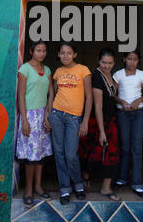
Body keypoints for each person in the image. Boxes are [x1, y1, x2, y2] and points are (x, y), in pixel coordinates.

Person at [47, 42, 92, 205]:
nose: (65, 55)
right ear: (58, 55)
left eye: (69, 53)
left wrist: (85, 121)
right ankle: (64, 188)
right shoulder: (58, 72)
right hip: (57, 115)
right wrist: (48, 114)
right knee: (59, 153)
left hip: (74, 118)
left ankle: (78, 184)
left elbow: (89, 97)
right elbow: (53, 94)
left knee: (71, 154)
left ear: (75, 54)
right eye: (62, 53)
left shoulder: (83, 70)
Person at [15, 41, 54, 208]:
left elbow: (51, 93)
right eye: (38, 50)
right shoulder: (24, 69)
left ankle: (38, 186)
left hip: (43, 115)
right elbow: (21, 95)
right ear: (31, 51)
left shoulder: (47, 70)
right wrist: (24, 119)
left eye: (44, 51)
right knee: (31, 155)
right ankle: (28, 190)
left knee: (41, 153)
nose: (41, 53)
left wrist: (47, 115)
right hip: (30, 115)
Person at [79, 48, 121, 201]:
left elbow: (112, 97)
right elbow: (97, 106)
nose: (107, 66)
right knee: (95, 151)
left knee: (111, 153)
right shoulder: (97, 77)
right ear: (98, 60)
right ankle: (85, 176)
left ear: (114, 62)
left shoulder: (110, 75)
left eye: (110, 63)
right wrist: (102, 131)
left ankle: (105, 186)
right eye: (104, 62)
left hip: (111, 119)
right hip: (99, 121)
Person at [113, 50, 143, 198]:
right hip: (123, 114)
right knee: (125, 146)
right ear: (124, 59)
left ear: (138, 61)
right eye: (129, 59)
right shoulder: (118, 75)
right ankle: (122, 178)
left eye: (135, 59)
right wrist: (121, 101)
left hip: (138, 114)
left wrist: (138, 101)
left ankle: (137, 183)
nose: (132, 62)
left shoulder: (142, 75)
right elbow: (113, 94)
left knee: (137, 147)